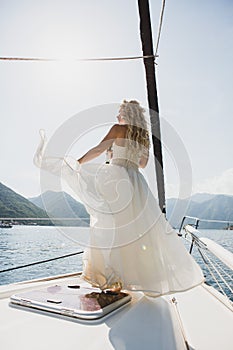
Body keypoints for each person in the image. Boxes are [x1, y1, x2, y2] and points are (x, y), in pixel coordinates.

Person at [34, 100, 204, 297]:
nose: (117, 117)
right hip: (135, 182)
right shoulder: (144, 137)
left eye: (120, 112)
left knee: (108, 226)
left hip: (115, 178)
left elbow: (98, 150)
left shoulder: (117, 128)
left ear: (127, 114)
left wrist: (79, 162)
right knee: (132, 230)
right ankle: (128, 278)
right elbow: (142, 164)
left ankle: (109, 276)